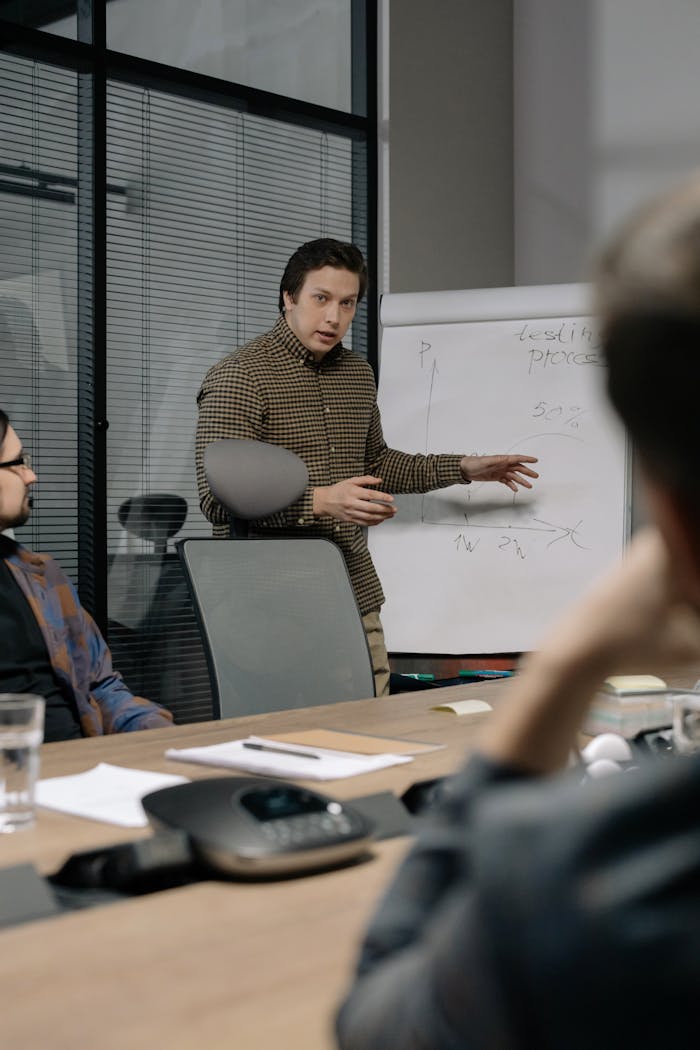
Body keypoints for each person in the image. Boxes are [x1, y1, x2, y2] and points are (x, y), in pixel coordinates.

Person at [335, 178, 700, 1049]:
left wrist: (568, 658)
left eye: (348, 301)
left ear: (671, 521)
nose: (337, 314)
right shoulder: (258, 381)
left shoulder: (601, 889)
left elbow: (379, 1022)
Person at [195, 238, 538, 695]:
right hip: (266, 608)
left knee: (376, 736)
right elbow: (216, 500)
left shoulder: (357, 374)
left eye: (347, 302)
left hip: (352, 594)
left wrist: (464, 468)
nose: (334, 317)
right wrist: (321, 501)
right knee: (289, 746)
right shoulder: (240, 375)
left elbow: (377, 463)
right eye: (321, 299)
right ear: (288, 297)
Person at [0, 408, 174, 740]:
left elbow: (100, 686)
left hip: (83, 772)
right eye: (17, 463)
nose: (30, 475)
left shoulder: (43, 578)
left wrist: (160, 734)